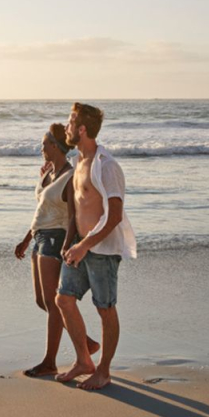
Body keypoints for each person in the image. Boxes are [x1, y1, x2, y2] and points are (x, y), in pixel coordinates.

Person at [53, 103, 137, 390]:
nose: (66, 126)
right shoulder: (78, 162)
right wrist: (71, 244)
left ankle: (104, 371)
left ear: (83, 129)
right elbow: (77, 210)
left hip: (102, 251)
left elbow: (113, 215)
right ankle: (83, 361)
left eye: (70, 121)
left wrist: (85, 246)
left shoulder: (107, 166)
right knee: (63, 300)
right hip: (79, 247)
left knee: (105, 309)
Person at [15, 123, 100, 377]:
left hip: (55, 239)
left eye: (44, 143)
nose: (41, 147)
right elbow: (42, 209)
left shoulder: (70, 177)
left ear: (54, 145)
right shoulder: (48, 172)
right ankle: (86, 342)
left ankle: (50, 362)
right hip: (39, 237)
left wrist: (70, 244)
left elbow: (73, 214)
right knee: (42, 301)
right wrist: (26, 238)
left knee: (54, 304)